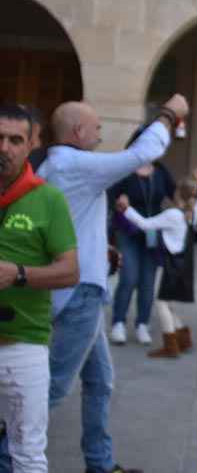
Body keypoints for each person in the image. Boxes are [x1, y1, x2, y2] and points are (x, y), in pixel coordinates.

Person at [7, 96, 188, 473]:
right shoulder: (76, 163)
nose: (101, 135)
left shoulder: (57, 167)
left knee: (100, 381)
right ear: (78, 132)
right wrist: (170, 114)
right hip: (80, 296)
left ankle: (99, 463)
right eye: (97, 129)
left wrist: (98, 247)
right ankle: (8, 457)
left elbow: (69, 222)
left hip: (84, 287)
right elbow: (143, 152)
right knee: (52, 386)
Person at [0, 104, 79, 473]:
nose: (5, 147)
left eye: (15, 139)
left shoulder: (49, 199)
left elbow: (69, 270)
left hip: (23, 346)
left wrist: (16, 274)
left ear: (33, 143)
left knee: (27, 454)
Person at [115, 169, 197, 358]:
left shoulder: (173, 214)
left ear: (176, 193)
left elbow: (145, 224)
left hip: (170, 266)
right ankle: (183, 339)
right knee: (169, 304)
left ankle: (170, 344)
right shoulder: (191, 214)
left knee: (161, 303)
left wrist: (127, 209)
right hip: (182, 265)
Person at [107, 137, 176, 346]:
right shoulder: (126, 170)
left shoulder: (161, 171)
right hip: (128, 231)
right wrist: (119, 202)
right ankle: (118, 323)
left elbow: (175, 195)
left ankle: (142, 324)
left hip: (152, 233)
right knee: (128, 277)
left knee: (147, 281)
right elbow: (109, 194)